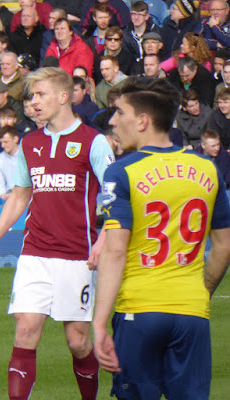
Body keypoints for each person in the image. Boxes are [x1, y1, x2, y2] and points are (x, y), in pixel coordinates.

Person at [0, 67, 114, 400]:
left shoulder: (93, 142)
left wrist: (104, 238)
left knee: (78, 341)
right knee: (25, 331)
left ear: (64, 97)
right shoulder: (30, 143)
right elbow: (21, 194)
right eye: (30, 97)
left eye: (40, 95)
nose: (33, 103)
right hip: (35, 253)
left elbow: (116, 196)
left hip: (77, 256)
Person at [93, 76, 230, 400]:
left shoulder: (122, 171)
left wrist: (99, 323)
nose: (113, 121)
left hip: (138, 310)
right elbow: (224, 245)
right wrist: (201, 291)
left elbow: (114, 253)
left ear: (142, 121)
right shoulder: (208, 169)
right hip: (191, 311)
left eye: (120, 113)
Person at [0, 126, 20, 200]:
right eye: (1, 142)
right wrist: (2, 196)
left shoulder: (26, 156)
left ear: (15, 139)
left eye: (6, 142)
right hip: (6, 198)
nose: (2, 146)